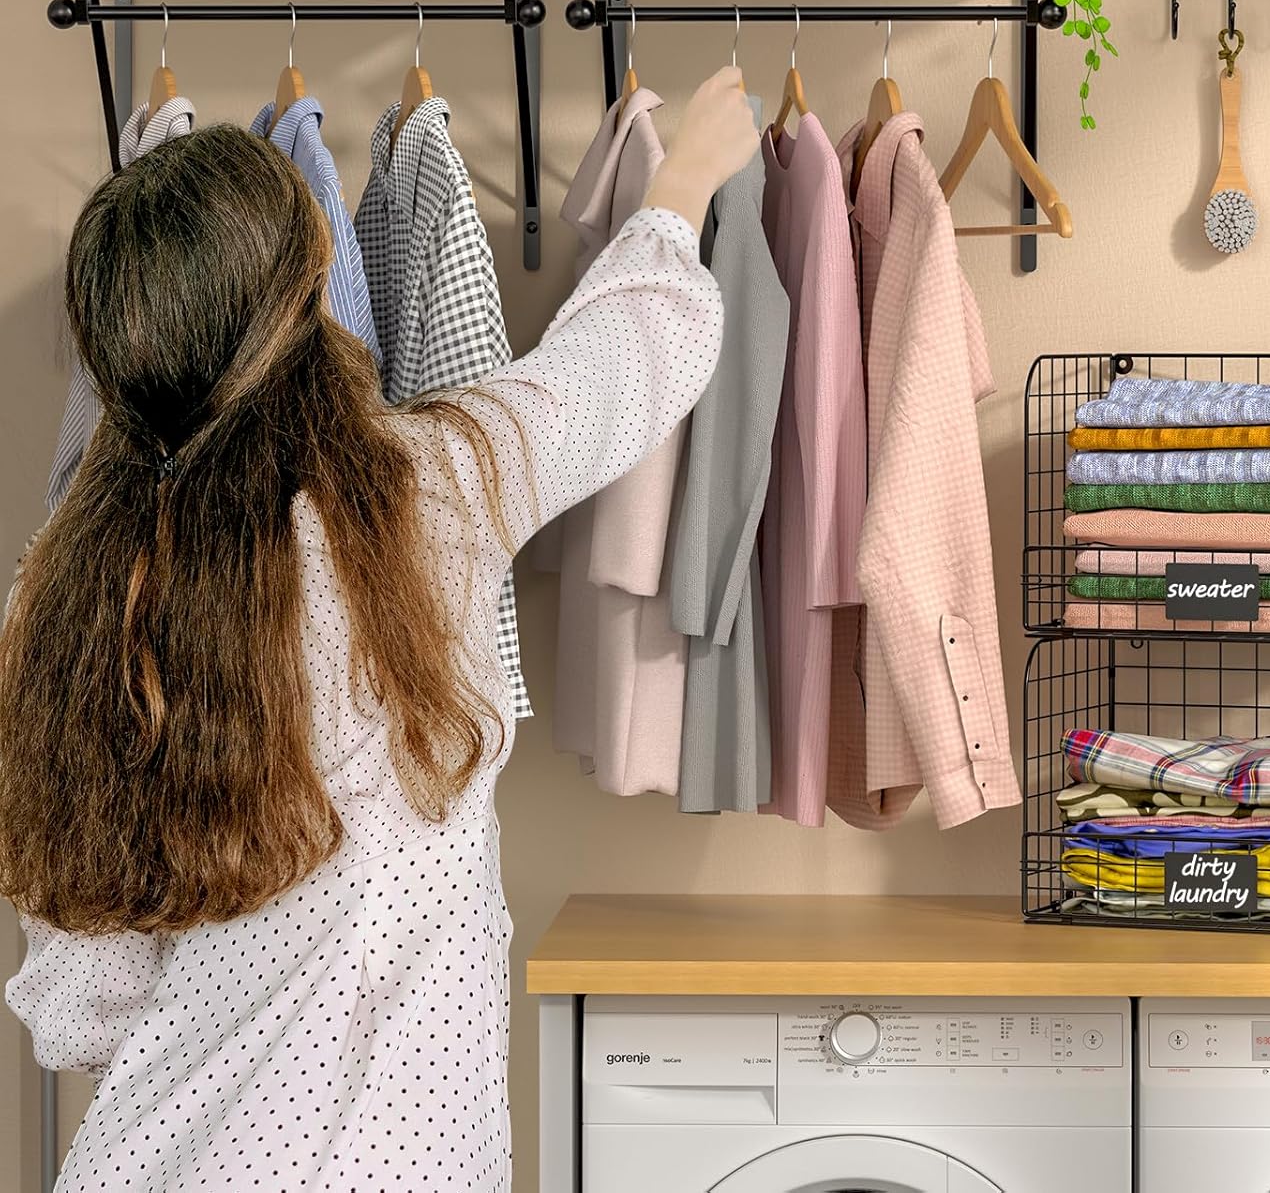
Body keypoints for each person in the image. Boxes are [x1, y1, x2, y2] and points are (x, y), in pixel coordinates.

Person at [0, 68, 757, 1190]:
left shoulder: (58, 598)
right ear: (304, 302)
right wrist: (683, 177)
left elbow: (78, 1015)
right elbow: (625, 360)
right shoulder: (421, 502)